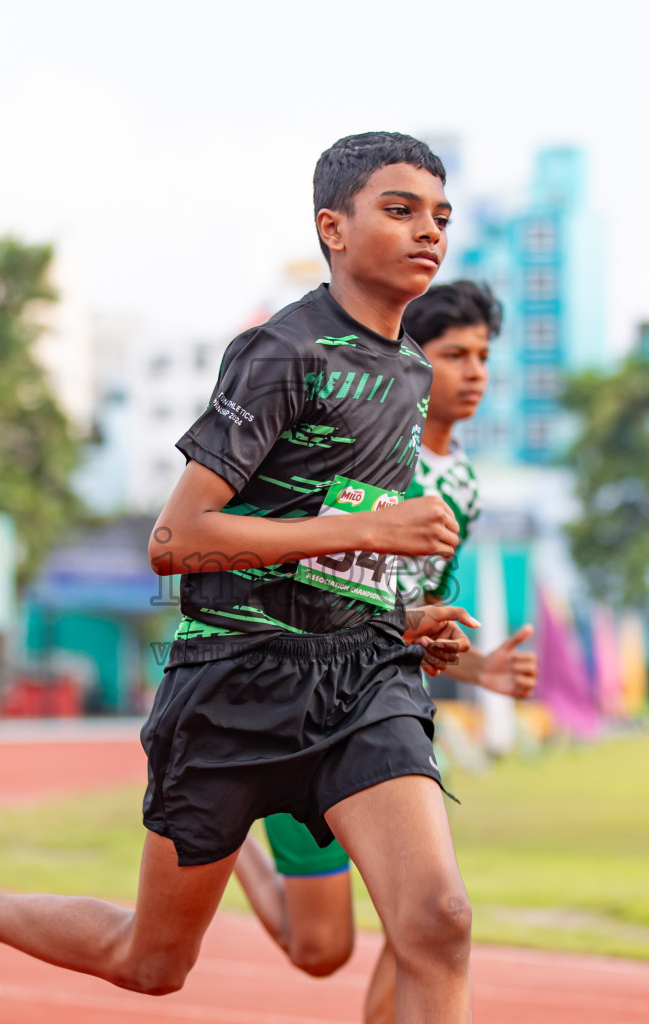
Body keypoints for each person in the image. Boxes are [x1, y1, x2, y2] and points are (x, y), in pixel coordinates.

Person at [0, 132, 480, 1023]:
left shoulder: (409, 371)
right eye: (399, 210)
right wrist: (371, 527)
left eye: (440, 217)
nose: (428, 231)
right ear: (332, 228)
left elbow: (335, 536)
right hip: (236, 681)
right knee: (151, 962)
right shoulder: (283, 351)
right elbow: (176, 537)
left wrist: (404, 610)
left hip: (360, 677)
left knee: (439, 920)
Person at [231, 280, 539, 1022]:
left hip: (389, 715)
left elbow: (415, 616)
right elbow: (323, 592)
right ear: (411, 360)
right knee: (320, 949)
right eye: (454, 355)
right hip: (306, 702)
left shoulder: (461, 484)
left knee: (427, 923)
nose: (475, 373)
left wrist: (480, 665)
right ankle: (227, 816)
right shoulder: (363, 450)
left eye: (484, 357)